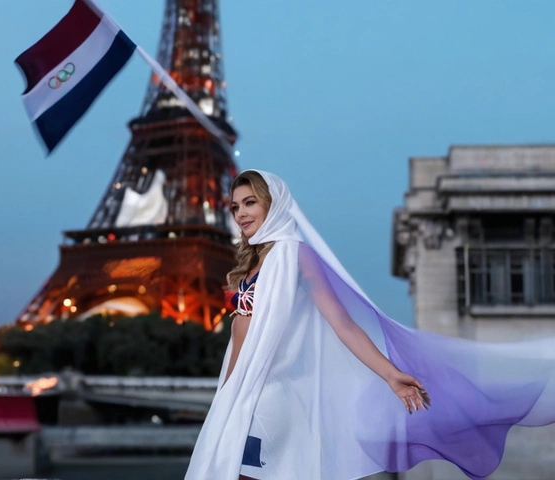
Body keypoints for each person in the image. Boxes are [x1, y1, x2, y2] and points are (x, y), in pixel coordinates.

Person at [185, 170, 555, 480]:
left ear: (274, 203)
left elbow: (343, 324)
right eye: (235, 206)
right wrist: (225, 398)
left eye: (250, 202)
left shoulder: (296, 254)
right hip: (241, 395)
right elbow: (239, 339)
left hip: (270, 398)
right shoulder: (252, 265)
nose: (241, 213)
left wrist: (391, 374)